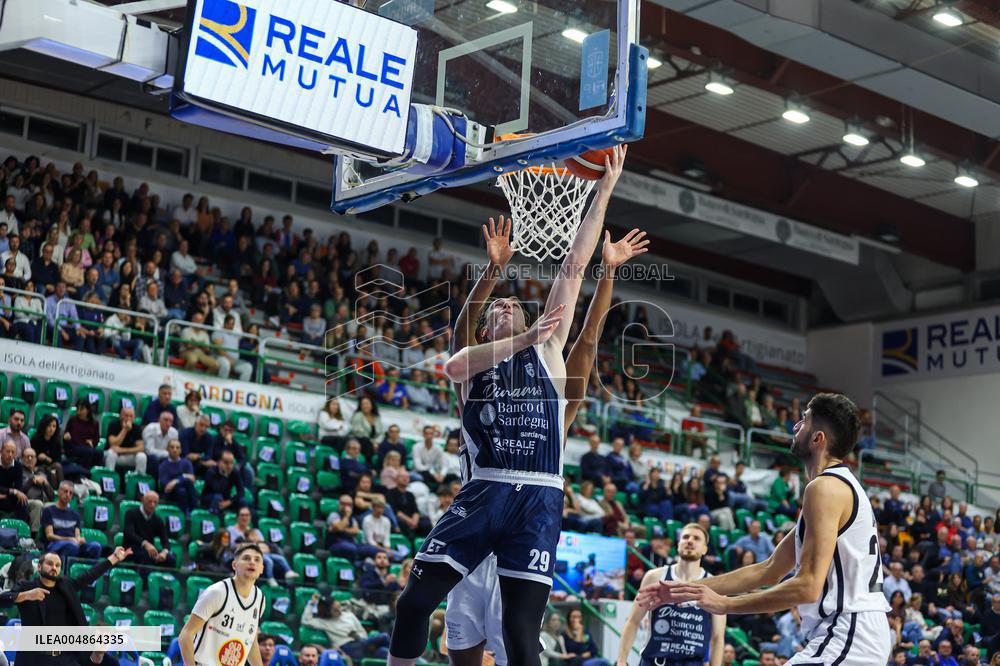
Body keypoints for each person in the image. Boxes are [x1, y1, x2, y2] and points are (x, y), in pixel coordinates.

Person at [393, 152, 636, 666]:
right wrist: (492, 272)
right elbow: (460, 340)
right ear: (487, 328)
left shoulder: (547, 350)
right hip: (484, 496)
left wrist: (605, 189)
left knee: (521, 636)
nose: (506, 304)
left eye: (514, 303)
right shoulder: (476, 362)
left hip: (535, 500)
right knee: (419, 609)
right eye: (497, 307)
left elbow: (574, 268)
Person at [638, 393, 892, 666]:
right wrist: (683, 590)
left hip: (848, 632)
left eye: (804, 420)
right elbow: (769, 569)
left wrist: (726, 605)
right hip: (852, 632)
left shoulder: (824, 488)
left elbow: (806, 587)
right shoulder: (838, 488)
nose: (795, 426)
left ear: (818, 439)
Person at [0, 545, 132, 666]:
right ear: (39, 567)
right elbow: (3, 599)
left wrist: (114, 558)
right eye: (50, 564)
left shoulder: (66, 586)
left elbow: (89, 575)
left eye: (58, 565)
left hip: (63, 658)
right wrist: (26, 595)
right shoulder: (27, 588)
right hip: (34, 659)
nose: (54, 568)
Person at [618, 523, 727, 666]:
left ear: (705, 549)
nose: (690, 541)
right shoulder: (656, 576)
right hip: (655, 661)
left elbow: (718, 638)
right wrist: (621, 661)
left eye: (696, 538)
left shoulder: (714, 585)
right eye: (686, 537)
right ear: (678, 544)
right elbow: (633, 621)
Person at [178, 542, 266, 666]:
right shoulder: (217, 592)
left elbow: (251, 640)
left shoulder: (260, 598)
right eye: (246, 558)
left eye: (257, 560)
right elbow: (186, 634)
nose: (252, 562)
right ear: (234, 565)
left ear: (262, 568)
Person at [302, 594, 390, 661]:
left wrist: (358, 636)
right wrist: (311, 603)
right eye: (335, 610)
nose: (340, 611)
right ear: (327, 612)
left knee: (383, 652)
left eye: (339, 607)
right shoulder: (324, 622)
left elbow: (362, 632)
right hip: (347, 648)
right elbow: (306, 620)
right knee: (384, 637)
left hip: (362, 643)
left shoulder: (349, 615)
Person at [41, 481, 102, 561]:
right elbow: (49, 536)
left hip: (73, 544)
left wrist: (80, 540)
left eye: (71, 493)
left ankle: (89, 572)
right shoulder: (48, 511)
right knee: (72, 546)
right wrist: (69, 539)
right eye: (65, 491)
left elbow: (77, 536)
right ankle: (65, 571)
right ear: (59, 492)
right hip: (54, 545)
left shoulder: (75, 515)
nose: (68, 495)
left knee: (96, 546)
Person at [123, 491, 176, 567]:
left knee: (171, 558)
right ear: (143, 501)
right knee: (146, 556)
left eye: (155, 502)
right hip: (131, 548)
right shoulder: (131, 513)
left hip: (148, 550)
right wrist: (145, 544)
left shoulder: (158, 520)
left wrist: (164, 552)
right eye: (150, 502)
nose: (152, 505)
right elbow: (130, 533)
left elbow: (165, 541)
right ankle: (145, 578)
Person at [104, 405, 147, 474]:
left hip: (128, 455)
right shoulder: (113, 425)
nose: (128, 418)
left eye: (131, 416)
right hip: (114, 455)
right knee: (111, 453)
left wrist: (122, 450)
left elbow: (141, 448)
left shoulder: (137, 428)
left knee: (142, 456)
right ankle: (109, 476)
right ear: (121, 416)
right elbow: (113, 444)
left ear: (134, 418)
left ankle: (137, 480)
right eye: (126, 415)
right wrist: (125, 430)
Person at [159, 439, 197, 515]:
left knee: (187, 485)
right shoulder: (163, 465)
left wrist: (177, 480)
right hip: (170, 494)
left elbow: (192, 479)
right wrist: (184, 477)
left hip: (186, 490)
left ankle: (192, 513)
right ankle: (187, 515)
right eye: (172, 447)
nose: (175, 450)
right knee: (182, 490)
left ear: (181, 450)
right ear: (167, 449)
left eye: (177, 447)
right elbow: (167, 486)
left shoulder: (186, 463)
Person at [0, 440, 29, 523]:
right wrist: (12, 491)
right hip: (10, 495)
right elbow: (15, 490)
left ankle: (22, 531)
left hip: (9, 498)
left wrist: (7, 494)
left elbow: (18, 488)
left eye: (13, 452)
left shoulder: (18, 466)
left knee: (23, 500)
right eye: (8, 451)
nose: (10, 455)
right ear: (1, 451)